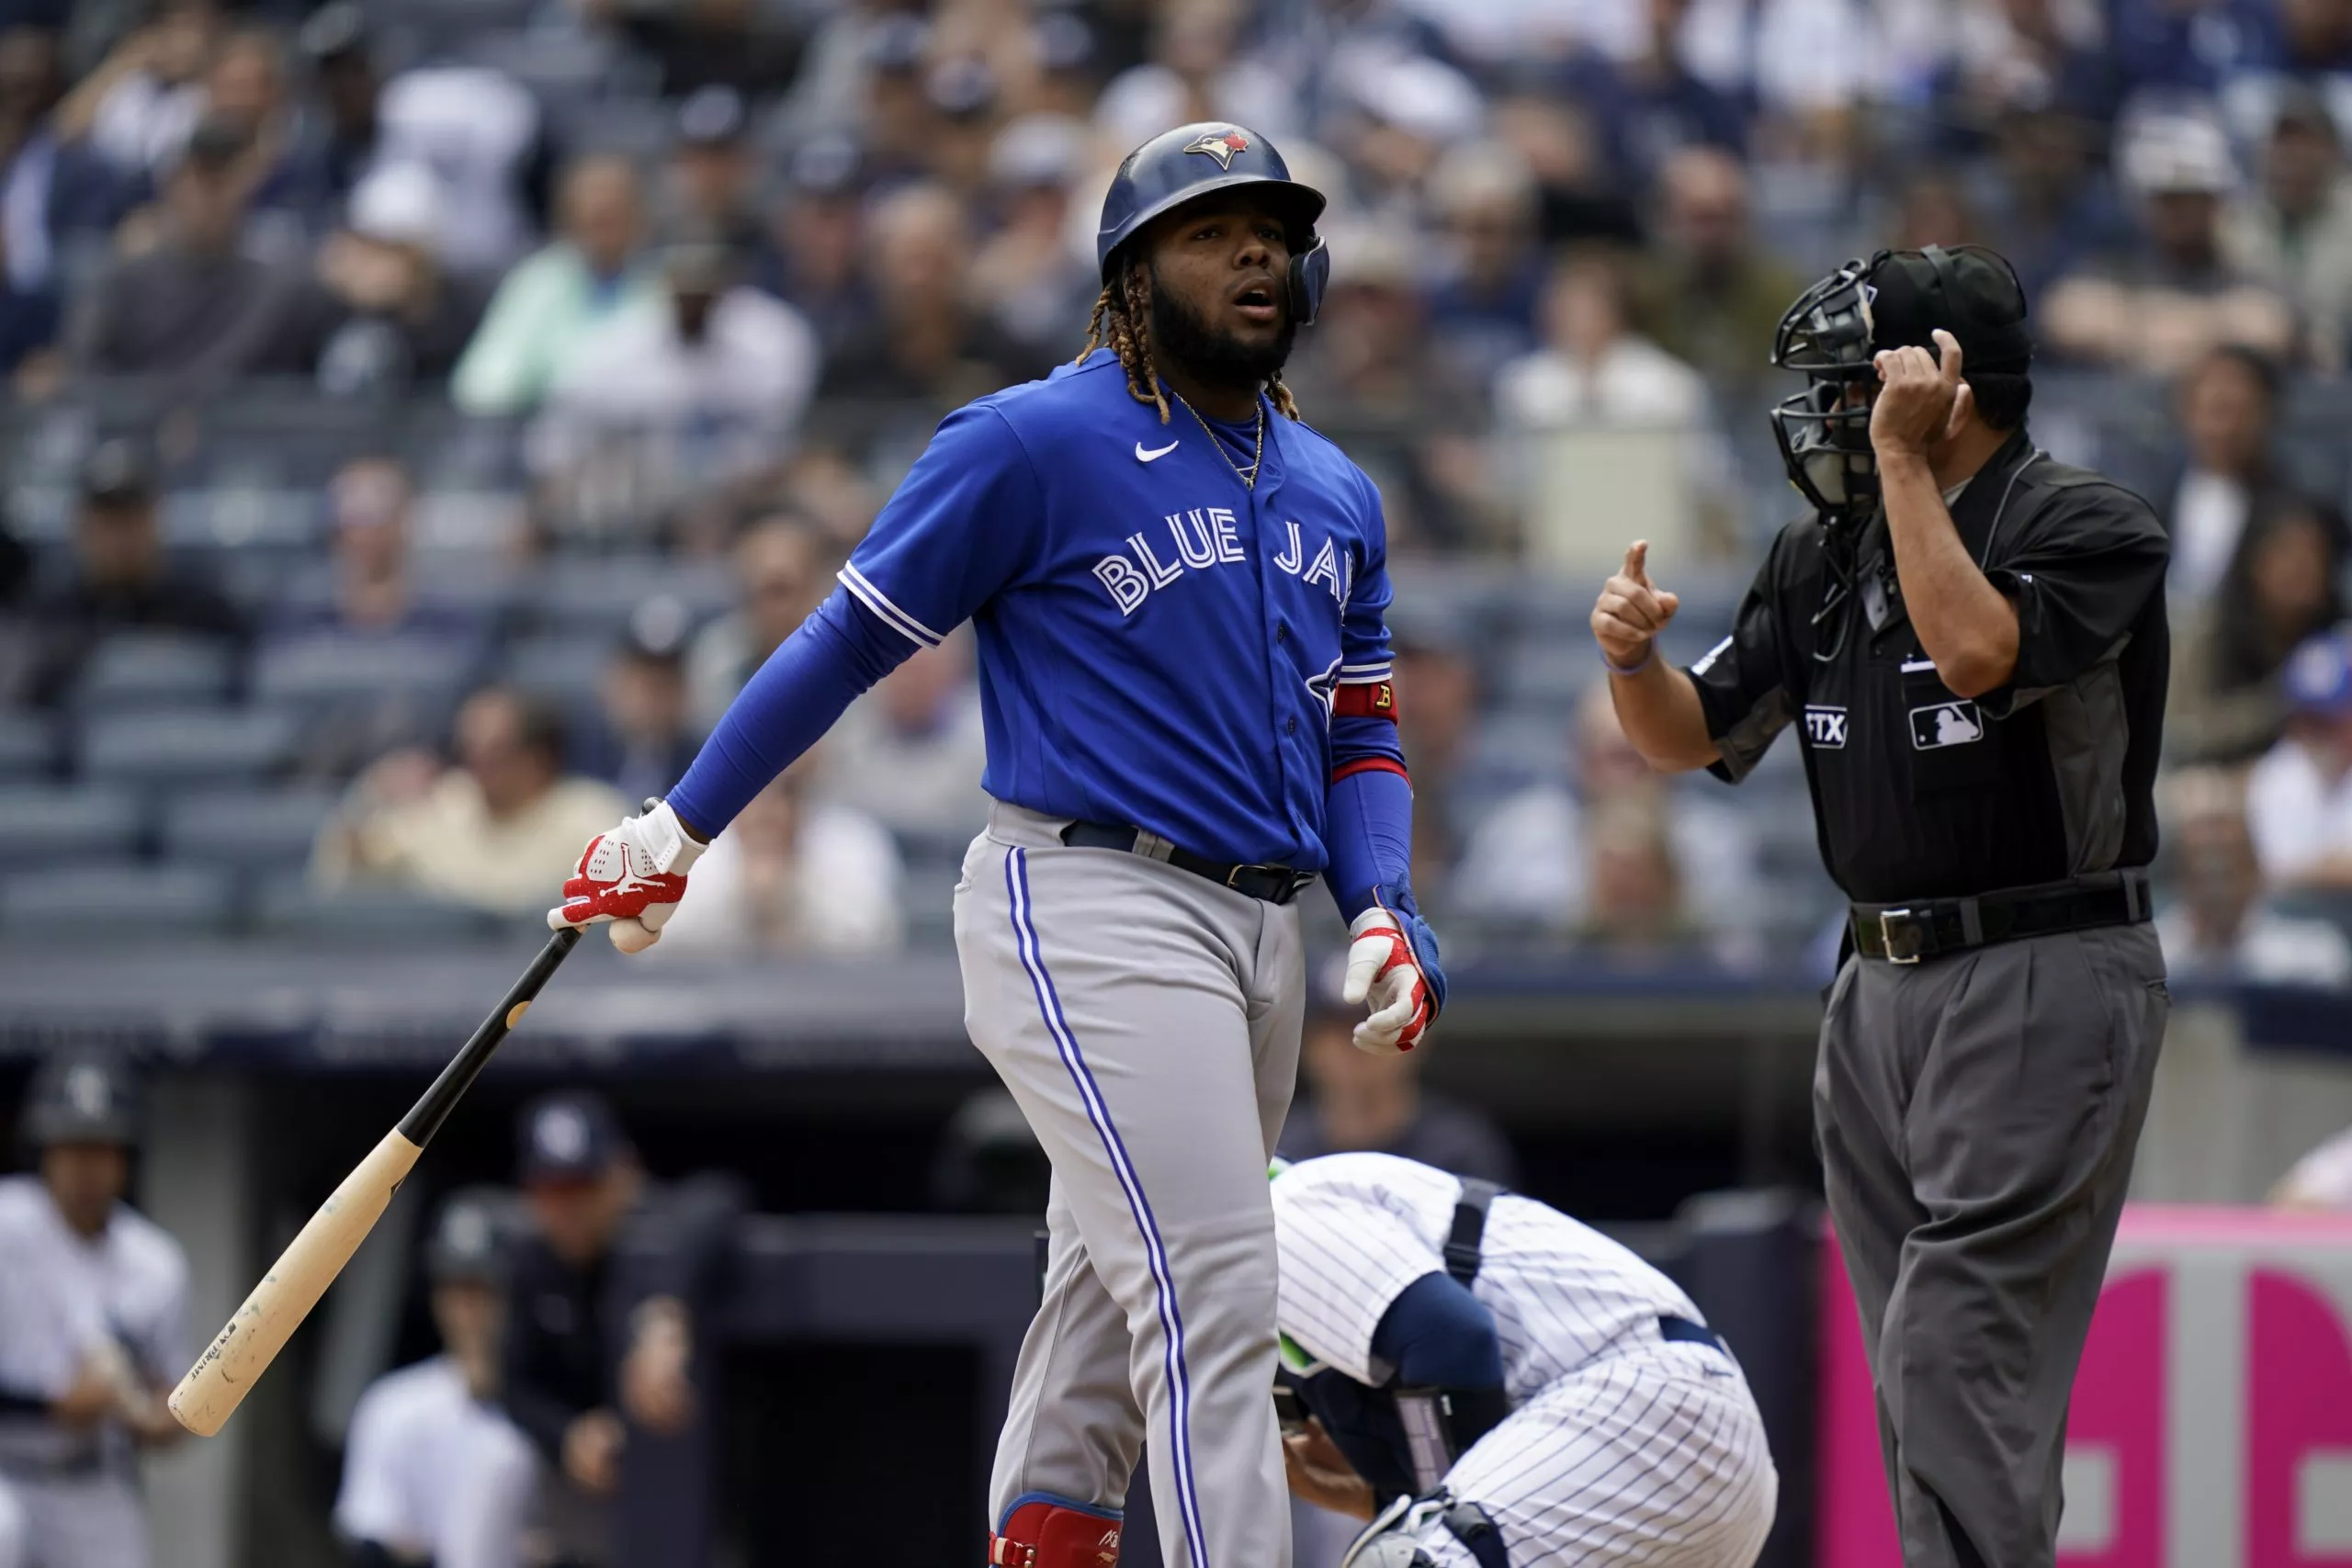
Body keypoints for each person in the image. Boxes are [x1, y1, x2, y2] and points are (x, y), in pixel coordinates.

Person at [547, 122, 1443, 1568]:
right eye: (1214, 232)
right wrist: (680, 820)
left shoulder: (1336, 488)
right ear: (1132, 278)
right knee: (1218, 1299)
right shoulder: (1031, 440)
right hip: (1094, 893)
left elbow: (1363, 733)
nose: (1257, 254)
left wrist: (1384, 900)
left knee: (1103, 1309)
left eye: (1273, 230)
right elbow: (847, 639)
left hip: (1268, 930)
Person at [1592, 244, 2170, 1568]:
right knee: (1918, 1358)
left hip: (2042, 960)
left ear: (1943, 386)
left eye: (1857, 386)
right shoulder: (1818, 554)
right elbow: (1695, 734)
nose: (1834, 415)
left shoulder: (2086, 522)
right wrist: (1631, 658)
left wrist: (1908, 466)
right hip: (1875, 983)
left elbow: (1978, 654)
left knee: (1954, 1341)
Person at [1269, 1152, 1775, 1568]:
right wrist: (1379, 1500)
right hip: (1672, 1450)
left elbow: (1450, 1339)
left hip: (1643, 1403)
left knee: (1406, 1561)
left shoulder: (1276, 1208)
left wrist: (1424, 1515)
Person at [501, 1092, 741, 1568]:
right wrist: (568, 1434)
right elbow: (514, 1386)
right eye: (551, 1191)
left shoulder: (655, 1232)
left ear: (622, 1175)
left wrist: (664, 1315)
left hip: (690, 1495)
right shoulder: (532, 1263)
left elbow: (720, 1198)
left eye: (582, 1186)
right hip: (583, 1497)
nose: (568, 1208)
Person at [0, 1050, 187, 1568]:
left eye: (100, 1149)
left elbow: (172, 1396)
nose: (86, 1167)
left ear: (124, 1157)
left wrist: (158, 1420)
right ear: (45, 1150)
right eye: (72, 1148)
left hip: (93, 1479)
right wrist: (53, 1406)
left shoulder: (156, 1263)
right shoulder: (6, 1226)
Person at [335, 1191, 538, 1568]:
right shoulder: (394, 1404)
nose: (469, 1307)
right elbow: (371, 1536)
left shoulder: (549, 1406)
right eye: (457, 1287)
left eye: (484, 1288)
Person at [313, 686, 627, 917]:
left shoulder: (593, 818)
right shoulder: (442, 804)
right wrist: (373, 792)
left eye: (494, 753)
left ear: (538, 759)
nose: (476, 766)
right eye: (467, 751)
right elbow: (350, 868)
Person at [2041, 108, 2294, 375]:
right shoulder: (2115, 267)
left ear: (2215, 204)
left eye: (2191, 198)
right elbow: (2064, 317)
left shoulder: (2240, 273)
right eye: (2167, 199)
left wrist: (2148, 325)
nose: (2178, 212)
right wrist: (2210, 327)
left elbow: (2268, 327)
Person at [69, 116, 313, 379]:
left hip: (240, 419)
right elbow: (88, 382)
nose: (209, 196)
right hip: (142, 420)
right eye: (199, 177)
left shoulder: (279, 291)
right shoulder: (123, 285)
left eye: (224, 179)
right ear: (171, 184)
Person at [20, 438, 245, 705]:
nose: (120, 537)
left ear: (156, 520)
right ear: (80, 526)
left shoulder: (206, 610)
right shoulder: (48, 617)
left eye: (131, 518)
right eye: (108, 521)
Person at [451, 156, 656, 417]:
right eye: (594, 221)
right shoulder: (537, 283)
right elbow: (483, 384)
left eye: (615, 218)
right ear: (569, 221)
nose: (605, 232)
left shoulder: (661, 285)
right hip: (544, 428)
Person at [649, 754, 906, 956]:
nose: (767, 812)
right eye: (751, 793)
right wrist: (743, 896)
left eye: (785, 792)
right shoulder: (687, 850)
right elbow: (653, 951)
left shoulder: (853, 844)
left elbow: (877, 944)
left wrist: (790, 897)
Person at [2167, 495, 2346, 763]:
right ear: (2255, 562)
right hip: (2214, 782)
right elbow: (2182, 734)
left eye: (2314, 553)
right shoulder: (2208, 633)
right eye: (2286, 552)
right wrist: (2280, 699)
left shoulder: (2341, 640)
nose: (2301, 568)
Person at [1275, 1000, 1514, 1183]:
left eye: (1377, 1028)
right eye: (1335, 1032)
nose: (1355, 1044)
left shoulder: (1459, 1148)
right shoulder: (1278, 1147)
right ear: (1306, 1044)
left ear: (1416, 1040)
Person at [2154, 765, 2352, 984]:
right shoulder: (2155, 957)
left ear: (2254, 871)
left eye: (2225, 872)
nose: (2216, 890)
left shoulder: (2311, 955)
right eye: (2203, 873)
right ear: (2181, 880)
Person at [816, 633, 990, 845]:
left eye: (920, 672)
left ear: (955, 672)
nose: (908, 683)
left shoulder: (985, 742)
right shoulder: (849, 734)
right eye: (899, 671)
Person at [684, 513, 832, 733]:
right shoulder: (717, 657)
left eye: (781, 590)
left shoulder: (850, 658)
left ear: (815, 587)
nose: (773, 608)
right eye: (754, 592)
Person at [2245, 628, 2352, 890]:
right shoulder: (2278, 773)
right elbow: (2277, 873)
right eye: (2304, 718)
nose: (2311, 732)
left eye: (2325, 720)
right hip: (2296, 923)